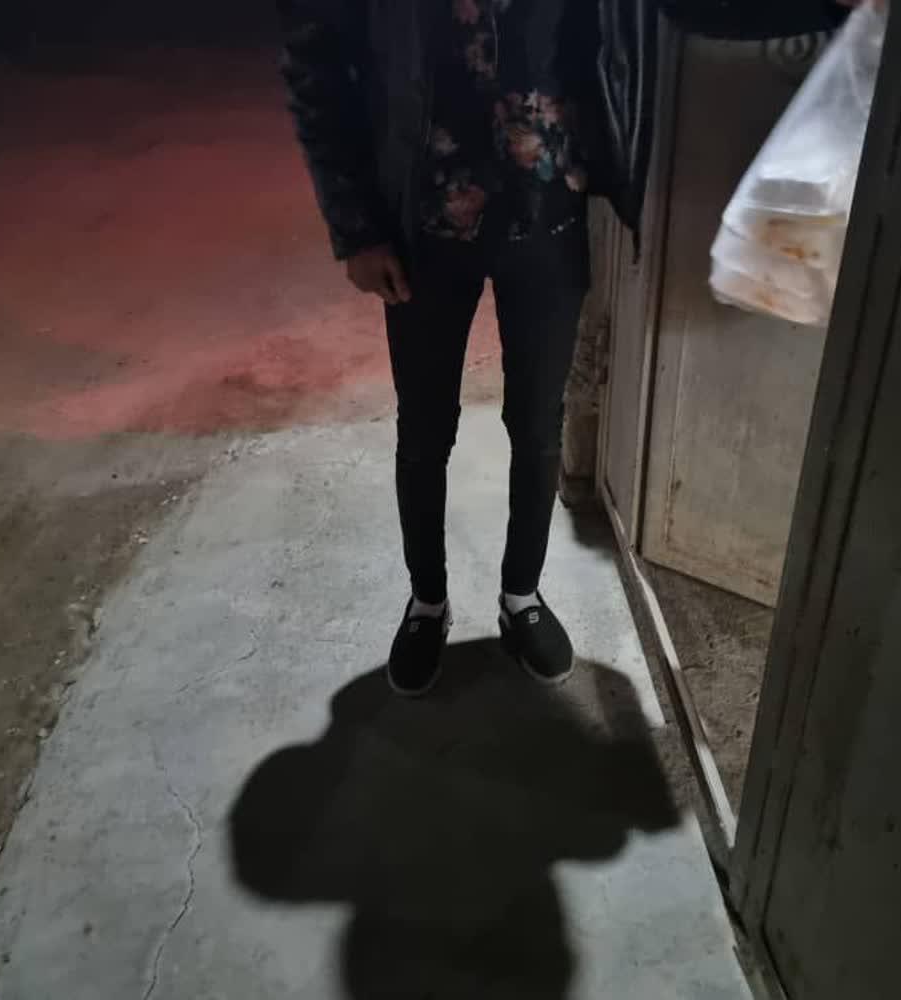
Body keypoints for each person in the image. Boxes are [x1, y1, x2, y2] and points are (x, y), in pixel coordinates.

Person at [277, 0, 656, 697]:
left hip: (549, 209)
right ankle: (427, 601)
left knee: (537, 425)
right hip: (424, 216)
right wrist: (357, 228)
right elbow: (314, 61)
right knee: (424, 430)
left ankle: (521, 596)